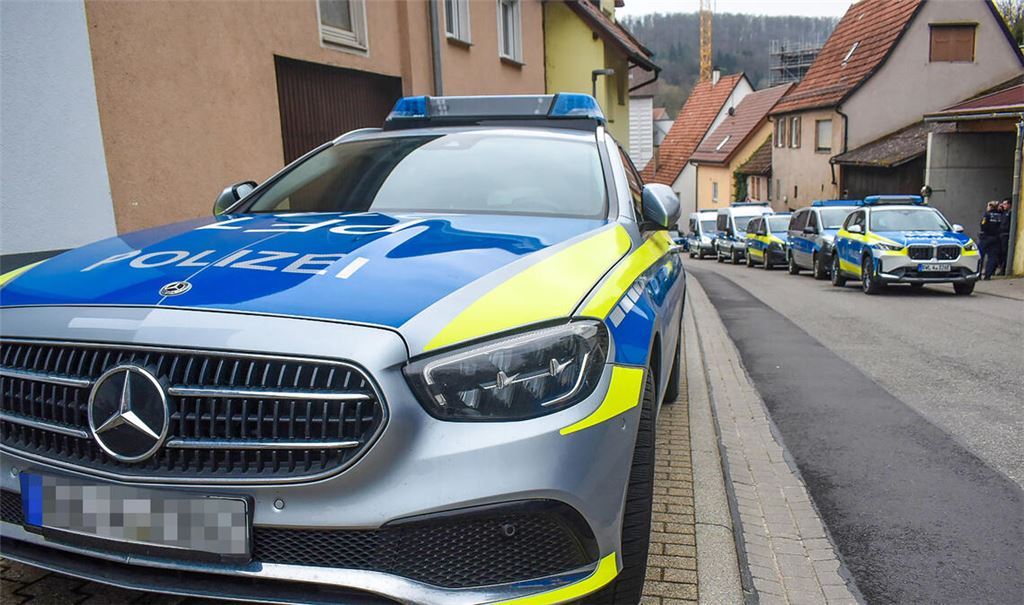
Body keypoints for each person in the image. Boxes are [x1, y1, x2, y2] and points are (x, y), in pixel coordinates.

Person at [979, 201, 1006, 280]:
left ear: (990, 207)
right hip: (996, 238)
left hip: (986, 237)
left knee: (980, 256)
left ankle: (978, 274)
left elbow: (983, 225)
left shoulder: (987, 215)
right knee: (992, 257)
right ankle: (988, 275)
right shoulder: (1001, 215)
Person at [996, 198, 1012, 275]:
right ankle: (1000, 267)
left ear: (1009, 204)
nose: (1003, 206)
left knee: (1004, 252)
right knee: (999, 252)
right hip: (1001, 234)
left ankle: (1003, 269)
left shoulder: (1010, 213)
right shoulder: (1003, 213)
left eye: (1005, 204)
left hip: (1005, 235)